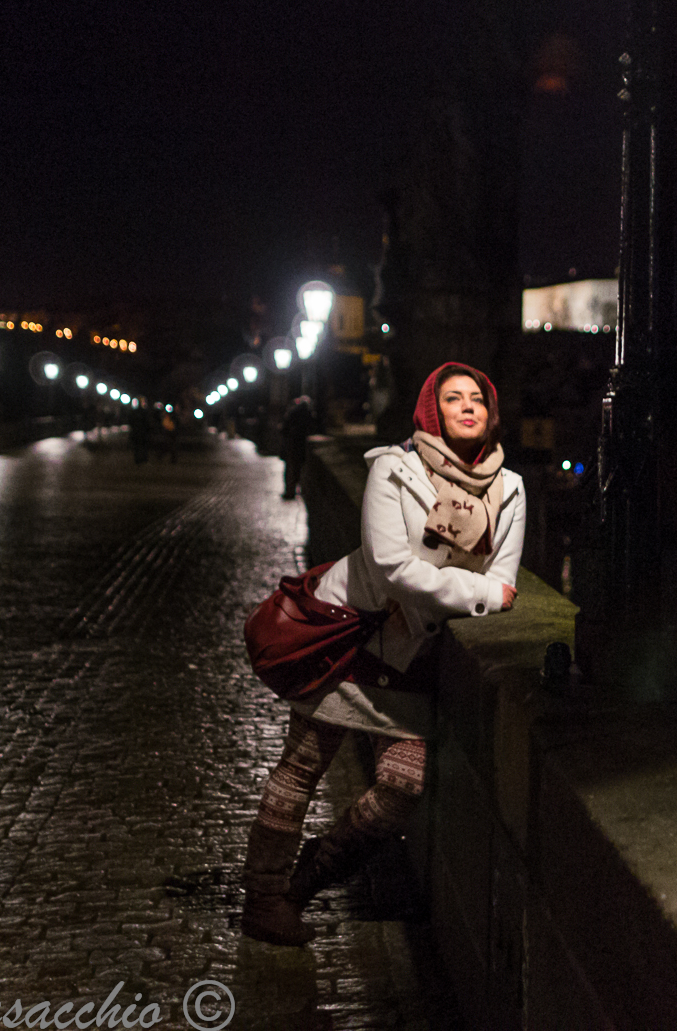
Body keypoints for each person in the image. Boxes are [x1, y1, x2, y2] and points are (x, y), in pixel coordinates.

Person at [241, 362, 525, 946]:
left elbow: (507, 580)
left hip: (410, 654)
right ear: (431, 412)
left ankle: (310, 877)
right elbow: (394, 568)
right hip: (353, 633)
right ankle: (265, 897)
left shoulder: (511, 487)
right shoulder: (393, 470)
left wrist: (456, 592)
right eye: (453, 399)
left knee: (403, 786)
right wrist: (473, 593)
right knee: (301, 768)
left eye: (477, 398)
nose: (468, 407)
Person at [279, 394, 320, 499]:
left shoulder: (293, 413)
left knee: (291, 468)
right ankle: (300, 489)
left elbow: (284, 428)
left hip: (292, 443)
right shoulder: (307, 414)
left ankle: (290, 490)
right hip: (300, 444)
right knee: (299, 467)